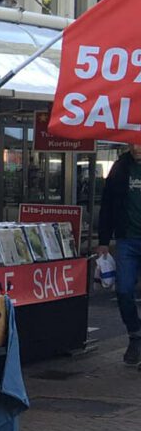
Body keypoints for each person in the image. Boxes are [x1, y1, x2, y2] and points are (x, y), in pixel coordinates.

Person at [97, 143, 141, 364]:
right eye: (133, 143)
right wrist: (103, 241)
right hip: (127, 239)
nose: (137, 147)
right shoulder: (121, 167)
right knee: (123, 291)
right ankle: (135, 335)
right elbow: (107, 204)